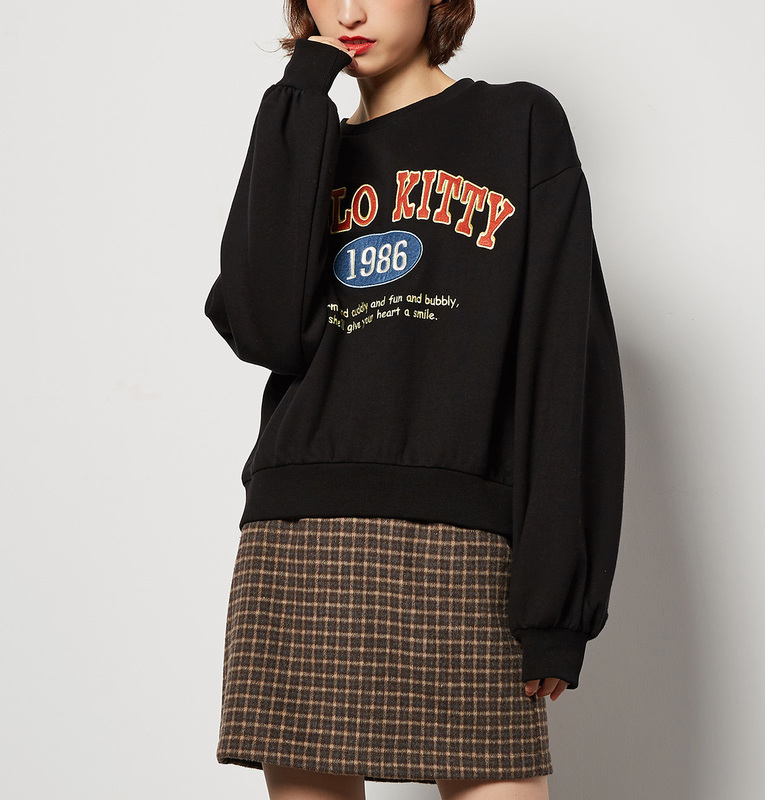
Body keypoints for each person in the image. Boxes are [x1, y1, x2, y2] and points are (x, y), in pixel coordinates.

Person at [204, 1, 626, 797]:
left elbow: (564, 363)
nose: (350, 12)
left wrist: (556, 606)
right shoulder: (306, 139)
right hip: (302, 540)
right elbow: (261, 330)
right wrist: (301, 94)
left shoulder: (518, 123)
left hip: (467, 541)